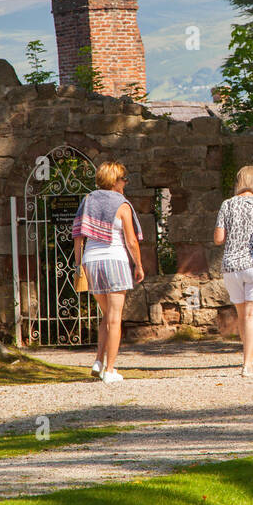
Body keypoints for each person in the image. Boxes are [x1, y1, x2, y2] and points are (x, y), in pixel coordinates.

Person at [72, 161, 145, 383]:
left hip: (91, 262)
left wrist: (78, 265)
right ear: (115, 181)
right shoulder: (122, 205)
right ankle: (110, 370)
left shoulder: (88, 200)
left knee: (106, 315)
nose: (125, 183)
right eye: (123, 179)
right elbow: (131, 241)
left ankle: (98, 361)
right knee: (115, 319)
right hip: (115, 260)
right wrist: (139, 265)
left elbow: (78, 235)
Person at [214, 165, 253, 376]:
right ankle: (247, 364)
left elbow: (218, 239)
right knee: (252, 316)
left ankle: (249, 356)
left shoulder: (226, 205)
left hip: (231, 267)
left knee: (242, 315)